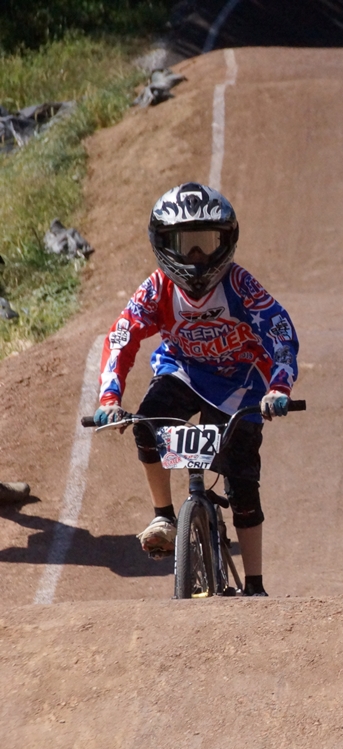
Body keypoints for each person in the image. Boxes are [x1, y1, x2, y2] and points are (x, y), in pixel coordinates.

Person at [94, 182, 299, 597]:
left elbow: (280, 332)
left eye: (207, 243)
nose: (197, 256)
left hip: (240, 381)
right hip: (183, 371)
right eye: (185, 244)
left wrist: (278, 388)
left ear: (227, 241)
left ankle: (255, 585)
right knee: (146, 424)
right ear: (162, 244)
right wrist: (110, 398)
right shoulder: (157, 288)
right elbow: (121, 337)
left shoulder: (240, 286)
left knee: (241, 479)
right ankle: (164, 516)